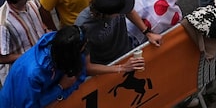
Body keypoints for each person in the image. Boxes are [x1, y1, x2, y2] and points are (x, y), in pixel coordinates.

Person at [0, 25, 144, 108]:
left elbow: (81, 73)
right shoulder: (32, 73)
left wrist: (123, 68)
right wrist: (61, 89)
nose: (86, 51)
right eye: (84, 48)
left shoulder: (68, 50)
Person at [0, 0, 47, 78]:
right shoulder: (3, 23)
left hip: (42, 63)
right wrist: (30, 56)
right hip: (23, 73)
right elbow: (1, 57)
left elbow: (39, 22)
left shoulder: (32, 1)